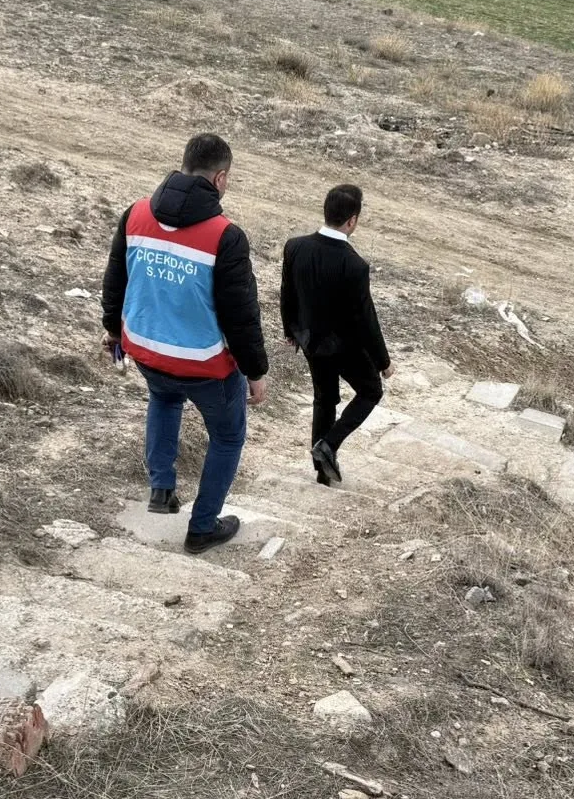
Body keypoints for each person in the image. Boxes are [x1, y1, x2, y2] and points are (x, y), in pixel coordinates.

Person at [101, 133, 269, 552]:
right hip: (205, 364)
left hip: (145, 349)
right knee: (228, 438)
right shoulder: (225, 236)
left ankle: (161, 488)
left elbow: (115, 278)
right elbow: (241, 315)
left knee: (164, 399)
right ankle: (202, 528)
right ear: (221, 178)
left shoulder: (135, 214)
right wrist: (256, 371)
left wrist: (111, 330)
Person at [280, 183, 391, 486]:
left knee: (324, 398)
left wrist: (290, 329)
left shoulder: (295, 246)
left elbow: (287, 292)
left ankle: (322, 471)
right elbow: (366, 319)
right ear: (352, 220)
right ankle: (329, 444)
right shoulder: (355, 265)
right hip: (344, 346)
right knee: (371, 391)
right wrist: (383, 361)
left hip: (310, 341)